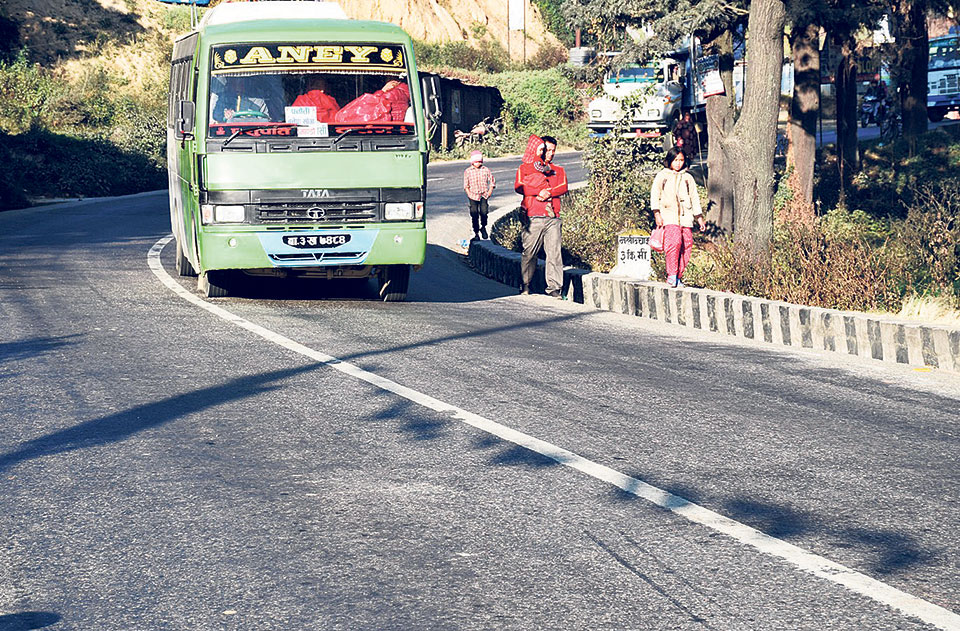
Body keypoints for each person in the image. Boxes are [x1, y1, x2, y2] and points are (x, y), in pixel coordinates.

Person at [515, 135, 568, 297]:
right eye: (547, 150)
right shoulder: (525, 168)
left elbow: (563, 187)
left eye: (553, 150)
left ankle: (554, 288)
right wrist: (539, 191)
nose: (550, 153)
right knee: (529, 253)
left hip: (553, 217)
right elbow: (519, 186)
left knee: (554, 253)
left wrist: (549, 193)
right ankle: (525, 283)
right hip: (533, 216)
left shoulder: (558, 170)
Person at [651, 146, 706, 288]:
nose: (678, 163)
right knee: (674, 244)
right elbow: (655, 195)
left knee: (687, 245)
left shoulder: (688, 178)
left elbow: (694, 198)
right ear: (669, 160)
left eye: (681, 160)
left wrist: (699, 218)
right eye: (675, 160)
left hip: (686, 217)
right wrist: (657, 213)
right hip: (668, 216)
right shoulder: (662, 176)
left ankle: (678, 275)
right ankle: (672, 275)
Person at [210, 75, 276, 122]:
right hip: (228, 135)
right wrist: (225, 114)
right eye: (234, 81)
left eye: (241, 81)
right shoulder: (223, 99)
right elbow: (215, 117)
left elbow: (265, 121)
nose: (238, 84)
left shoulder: (258, 101)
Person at [463, 150, 495, 240]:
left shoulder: (485, 170)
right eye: (476, 162)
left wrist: (490, 191)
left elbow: (492, 181)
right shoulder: (468, 171)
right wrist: (469, 193)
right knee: (474, 214)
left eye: (480, 162)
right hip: (473, 196)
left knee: (484, 212)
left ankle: (483, 227)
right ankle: (476, 232)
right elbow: (466, 185)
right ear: (472, 162)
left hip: (483, 195)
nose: (478, 163)